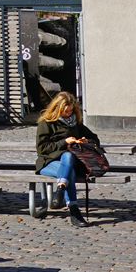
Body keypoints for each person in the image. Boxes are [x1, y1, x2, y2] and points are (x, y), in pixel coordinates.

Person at [35, 90, 102, 226]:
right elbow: (42, 149)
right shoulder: (46, 123)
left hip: (71, 163)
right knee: (68, 161)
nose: (68, 114)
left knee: (69, 159)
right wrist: (64, 142)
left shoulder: (75, 123)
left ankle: (60, 189)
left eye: (71, 111)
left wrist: (84, 141)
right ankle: (74, 212)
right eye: (66, 111)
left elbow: (94, 138)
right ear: (57, 109)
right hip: (49, 162)